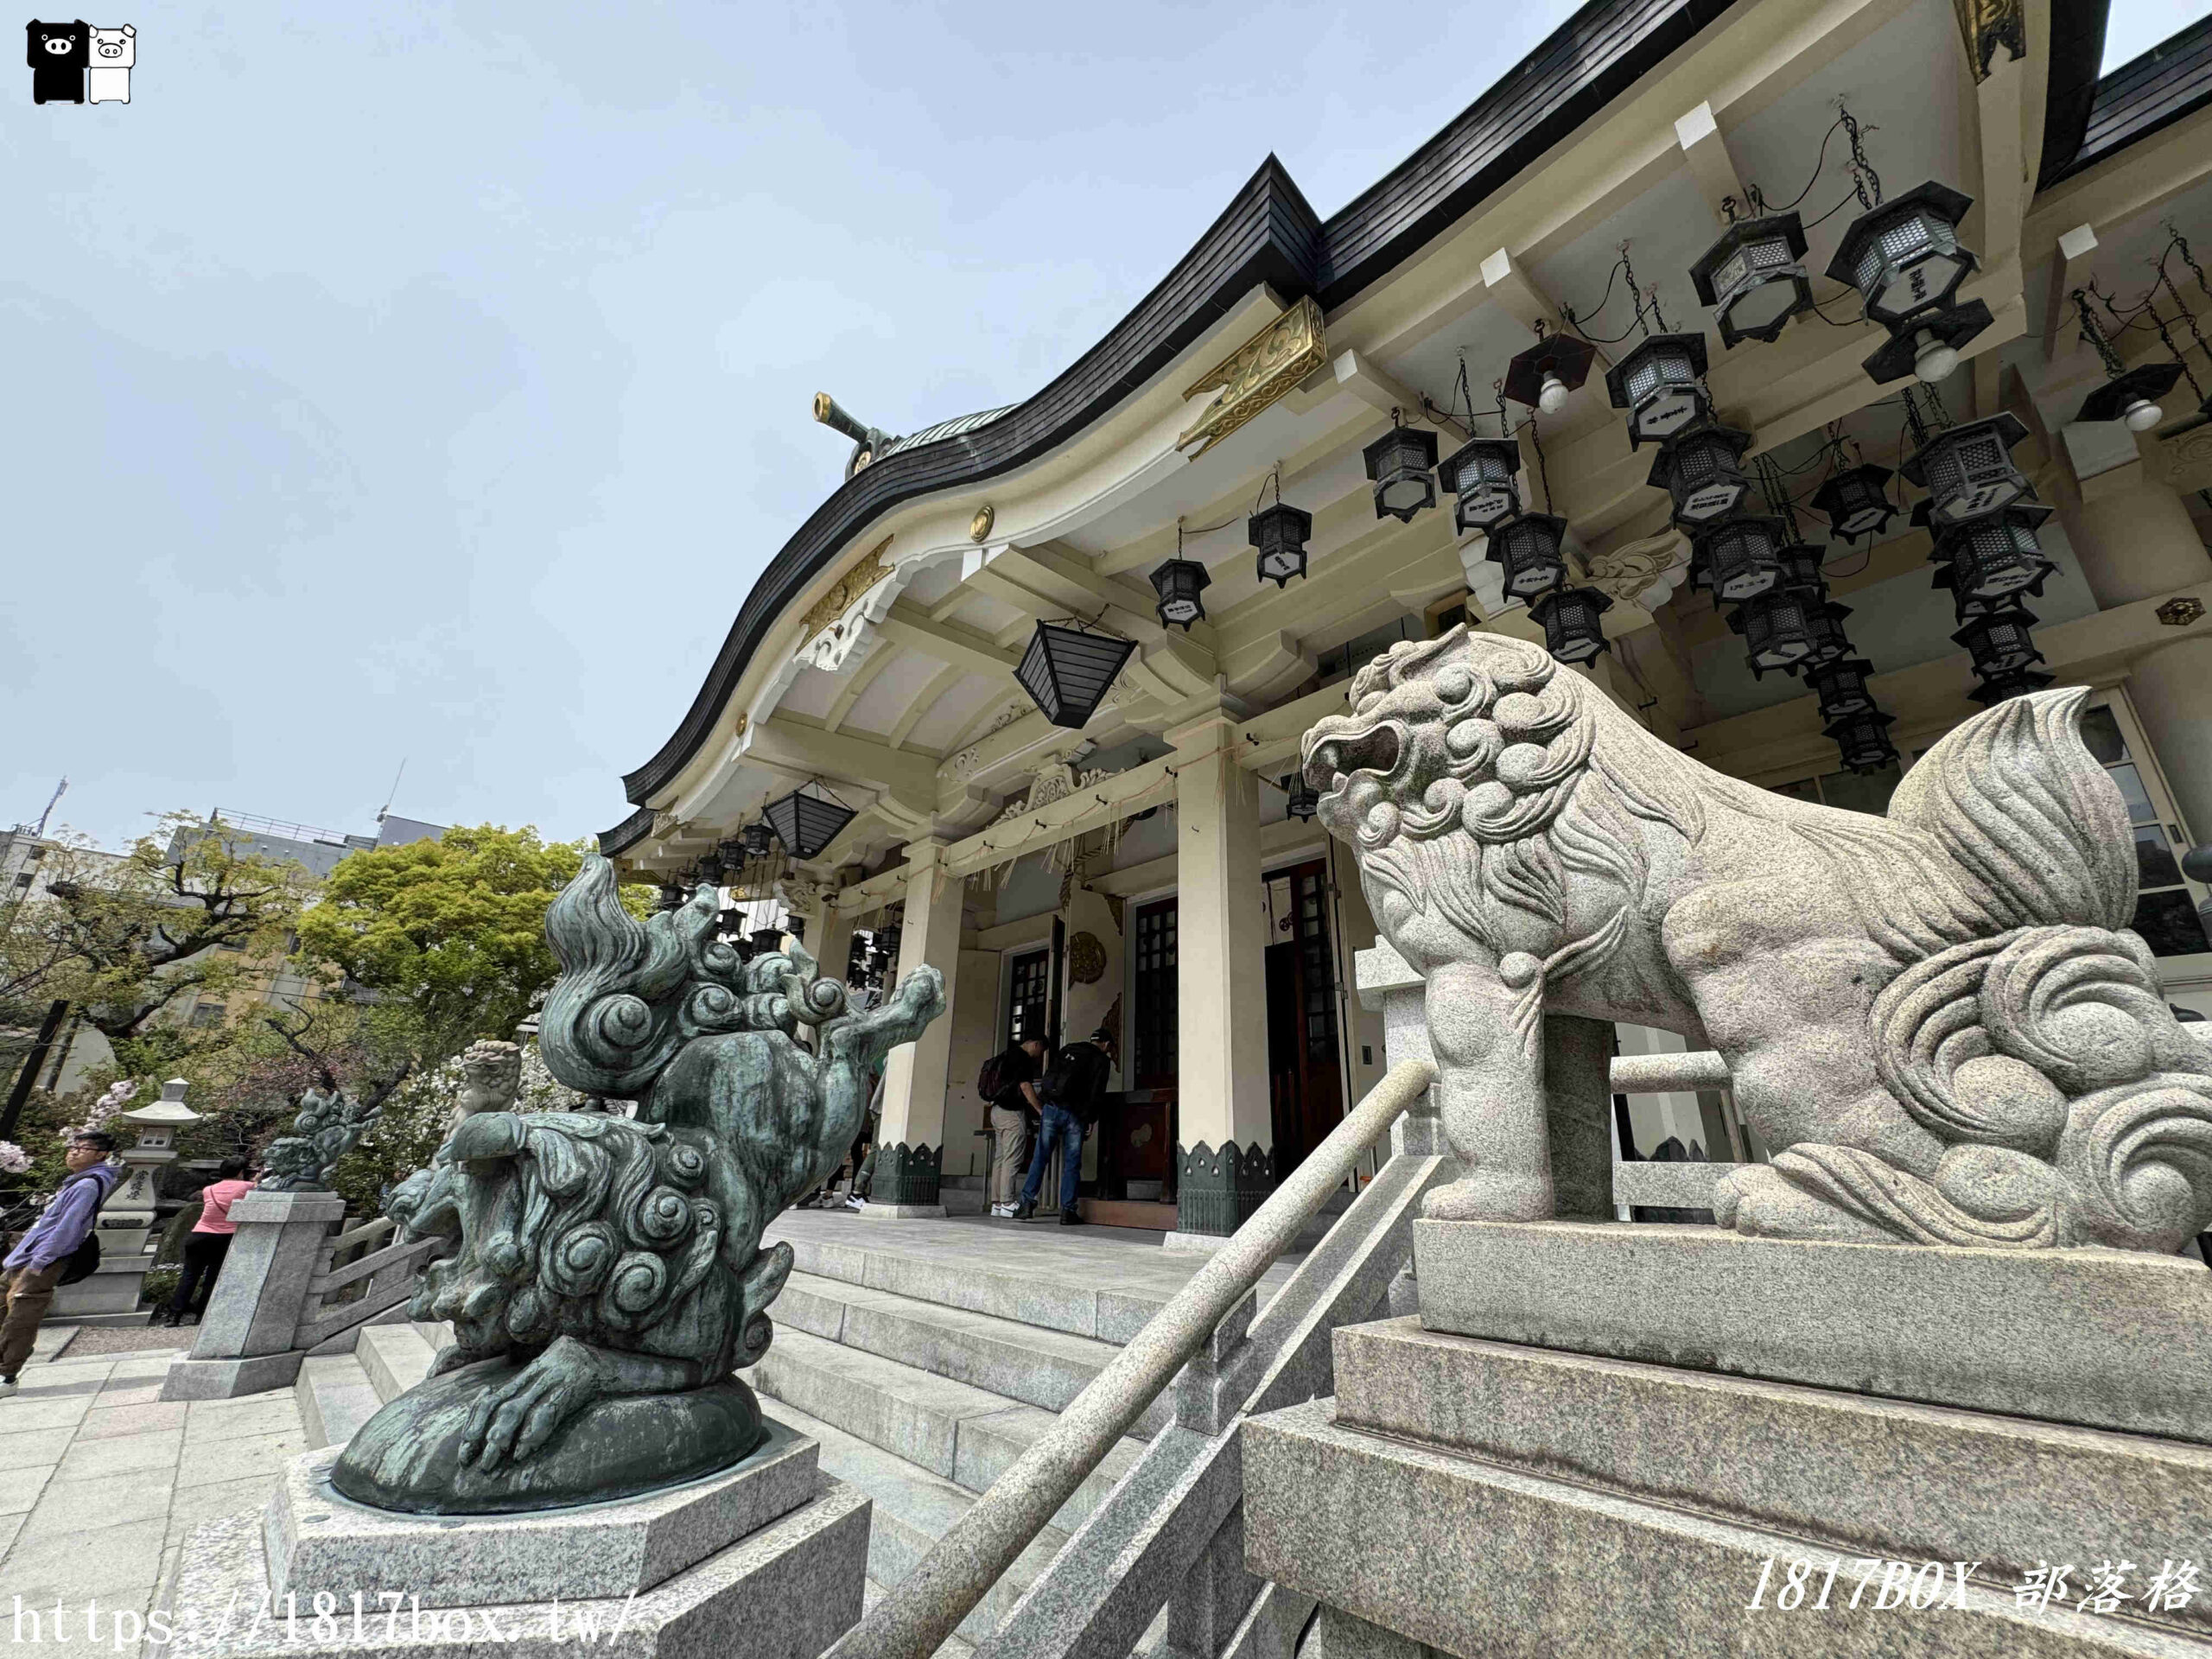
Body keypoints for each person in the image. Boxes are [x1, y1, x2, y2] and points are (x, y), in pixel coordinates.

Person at [0, 1130, 122, 1392]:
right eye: (73, 1146)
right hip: (24, 1256)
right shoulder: (77, 1181)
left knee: (20, 1318)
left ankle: (7, 1376)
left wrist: (38, 1263)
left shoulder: (88, 1185)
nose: (74, 1151)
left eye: (83, 1148)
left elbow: (68, 1229)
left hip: (40, 1261)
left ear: (102, 1155)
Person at [1012, 1027, 1116, 1226]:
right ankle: (1067, 1211)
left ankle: (1026, 1204)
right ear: (1107, 1044)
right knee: (1072, 1164)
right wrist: (1091, 1120)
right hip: (1075, 1116)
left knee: (1040, 1157)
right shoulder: (1101, 1060)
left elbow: (1050, 1076)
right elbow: (1096, 1093)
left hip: (1051, 1109)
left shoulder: (1070, 1049)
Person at [161, 1157, 254, 1327]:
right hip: (225, 1236)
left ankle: (174, 1315)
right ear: (241, 1172)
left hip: (199, 1234)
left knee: (189, 1276)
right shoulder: (247, 1187)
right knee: (213, 1276)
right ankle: (202, 1315)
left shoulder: (208, 1189)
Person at [982, 1035, 1046, 1218]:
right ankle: (1008, 1203)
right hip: (1011, 1113)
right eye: (1041, 1051)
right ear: (1035, 1044)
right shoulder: (1022, 1059)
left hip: (996, 1110)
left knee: (1000, 1158)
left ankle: (997, 1203)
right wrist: (1039, 1110)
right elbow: (1026, 1086)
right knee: (1012, 1158)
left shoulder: (1005, 1055)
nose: (1039, 1056)